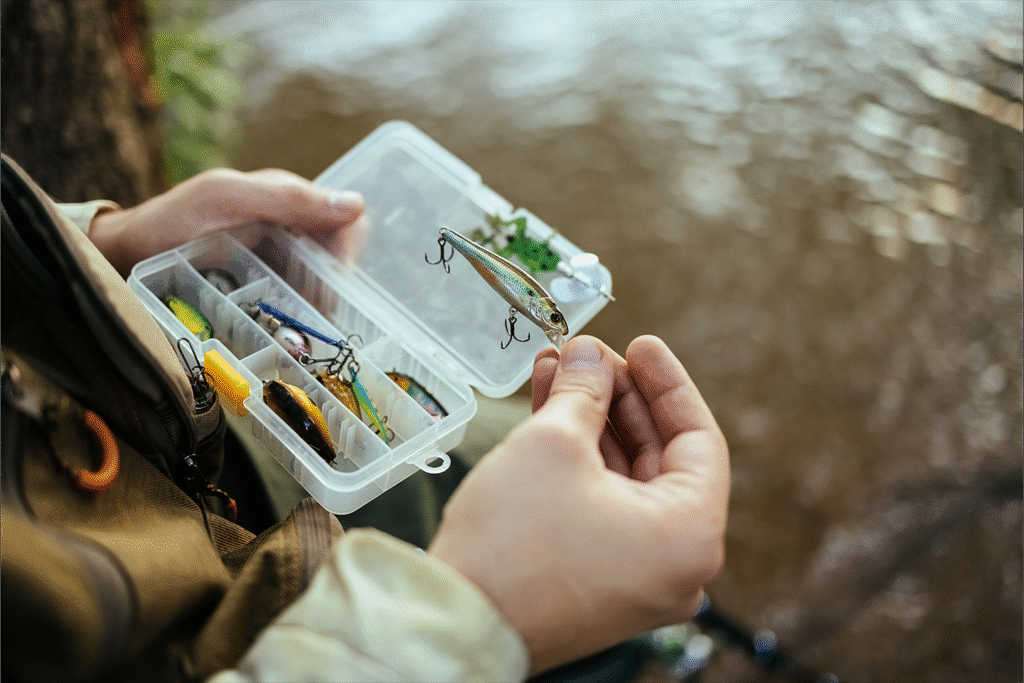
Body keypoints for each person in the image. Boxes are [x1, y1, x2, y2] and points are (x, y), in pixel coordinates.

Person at [19, 165, 731, 681]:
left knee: (500, 452)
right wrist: (478, 616)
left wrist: (95, 251)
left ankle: (630, 645)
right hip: (230, 609)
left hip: (170, 405)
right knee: (579, 585)